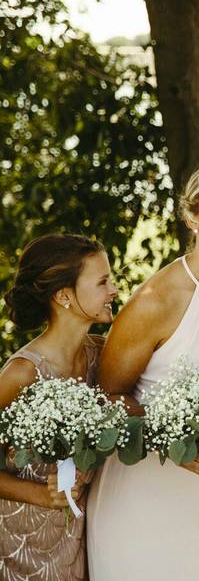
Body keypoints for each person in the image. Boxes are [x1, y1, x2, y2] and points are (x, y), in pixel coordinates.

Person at [87, 161, 199, 581]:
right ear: (193, 217)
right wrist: (173, 440)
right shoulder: (158, 299)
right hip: (142, 495)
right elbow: (108, 398)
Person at [0, 234, 116, 581]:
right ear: (64, 295)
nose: (113, 289)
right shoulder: (22, 373)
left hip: (78, 541)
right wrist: (41, 494)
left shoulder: (102, 356)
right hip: (19, 545)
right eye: (102, 281)